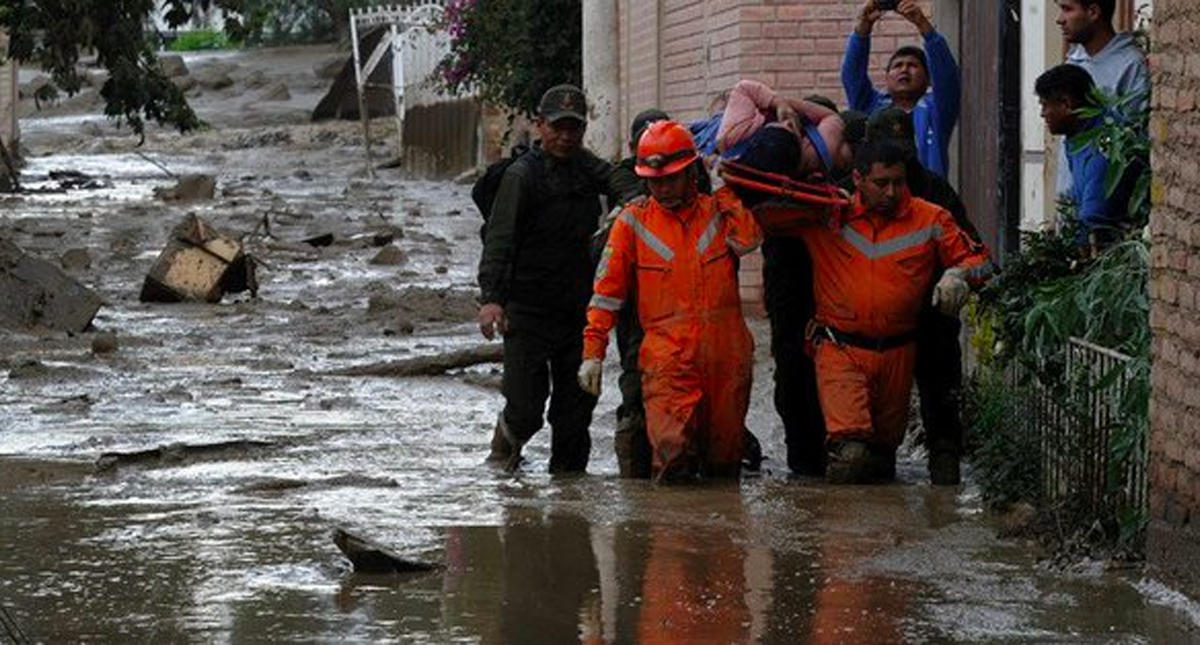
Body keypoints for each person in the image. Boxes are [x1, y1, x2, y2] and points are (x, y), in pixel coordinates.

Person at [754, 139, 992, 484]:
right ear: (857, 179)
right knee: (850, 456)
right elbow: (761, 215)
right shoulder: (828, 213)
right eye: (881, 183)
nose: (892, 192)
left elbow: (981, 262)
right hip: (840, 349)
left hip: (898, 352)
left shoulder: (931, 218)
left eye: (899, 181)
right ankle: (840, 537)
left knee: (881, 462)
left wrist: (959, 275)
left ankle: (876, 536)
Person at [579, 120, 763, 481]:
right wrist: (592, 353)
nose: (661, 188)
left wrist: (726, 190)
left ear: (691, 171)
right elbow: (606, 293)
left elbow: (748, 240)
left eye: (670, 178)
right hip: (668, 361)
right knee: (673, 460)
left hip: (727, 359)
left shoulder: (717, 211)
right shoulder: (632, 222)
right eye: (653, 180)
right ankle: (672, 536)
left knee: (724, 468)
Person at [478, 84, 640, 473]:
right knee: (526, 406)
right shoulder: (521, 176)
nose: (566, 137)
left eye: (574, 128)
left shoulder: (586, 166)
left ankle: (570, 502)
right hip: (528, 310)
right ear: (539, 125)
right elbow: (499, 240)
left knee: (574, 414)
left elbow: (623, 182)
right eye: (558, 127)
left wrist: (631, 206)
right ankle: (501, 459)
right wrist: (491, 299)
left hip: (577, 314)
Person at [863, 107, 980, 485]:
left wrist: (958, 273)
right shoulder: (848, 193)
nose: (892, 187)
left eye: (904, 153)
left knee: (941, 404)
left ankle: (944, 474)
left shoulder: (934, 191)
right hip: (873, 331)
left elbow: (977, 254)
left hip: (931, 319)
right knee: (869, 433)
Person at [840, 0, 961, 178]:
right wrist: (862, 29)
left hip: (926, 202)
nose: (904, 69)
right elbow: (852, 75)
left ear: (928, 80)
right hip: (882, 203)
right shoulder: (870, 108)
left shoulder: (936, 112)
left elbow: (947, 78)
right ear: (886, 78)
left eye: (913, 65)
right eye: (897, 66)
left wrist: (923, 25)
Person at [1055, 0, 1150, 197]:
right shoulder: (1074, 61)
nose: (1059, 19)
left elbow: (1132, 142)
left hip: (1104, 207)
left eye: (1067, 9)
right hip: (1070, 202)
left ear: (1093, 12)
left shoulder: (1130, 66)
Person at [1037, 64, 1132, 247]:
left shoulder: (1103, 146)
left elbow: (1094, 220)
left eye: (1045, 105)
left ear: (1067, 104)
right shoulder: (1077, 134)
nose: (1042, 114)